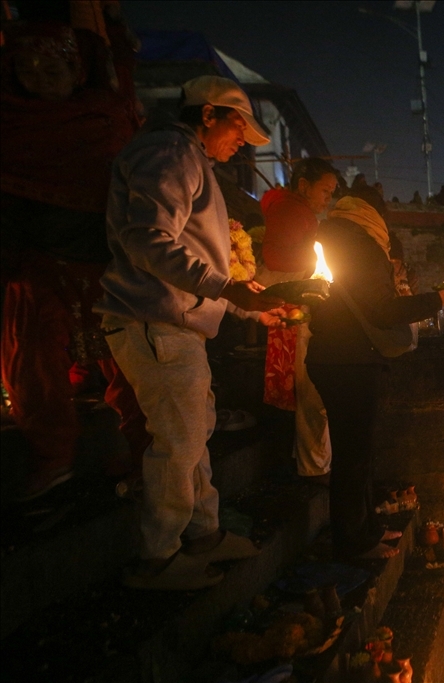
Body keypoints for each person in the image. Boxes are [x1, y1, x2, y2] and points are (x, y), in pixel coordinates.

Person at [97, 75, 286, 590]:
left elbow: (200, 258)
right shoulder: (169, 152)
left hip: (175, 324)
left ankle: (203, 534)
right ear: (208, 115)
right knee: (178, 443)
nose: (238, 146)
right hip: (154, 321)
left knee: (194, 436)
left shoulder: (188, 158)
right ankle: (157, 558)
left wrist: (252, 309)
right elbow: (148, 241)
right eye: (237, 131)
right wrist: (232, 290)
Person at [1, 14, 152, 499]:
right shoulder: (9, 121)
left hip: (103, 262)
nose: (40, 84)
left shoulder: (104, 117)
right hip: (38, 262)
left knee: (129, 364)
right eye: (30, 72)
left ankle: (147, 454)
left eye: (53, 73)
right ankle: (53, 455)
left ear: (76, 72)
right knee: (33, 361)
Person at [306, 185, 444, 560]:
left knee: (355, 451)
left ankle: (365, 531)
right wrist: (440, 299)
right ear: (374, 215)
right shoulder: (361, 245)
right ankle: (352, 541)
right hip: (350, 359)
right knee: (354, 455)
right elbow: (381, 311)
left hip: (330, 355)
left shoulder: (327, 236)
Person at [256, 158, 338, 483]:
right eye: (325, 190)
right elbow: (276, 256)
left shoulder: (291, 209)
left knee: (307, 386)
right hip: (293, 306)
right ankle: (314, 468)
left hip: (293, 302)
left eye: (332, 193)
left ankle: (309, 460)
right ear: (304, 185)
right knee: (309, 387)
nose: (327, 199)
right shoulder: (291, 210)